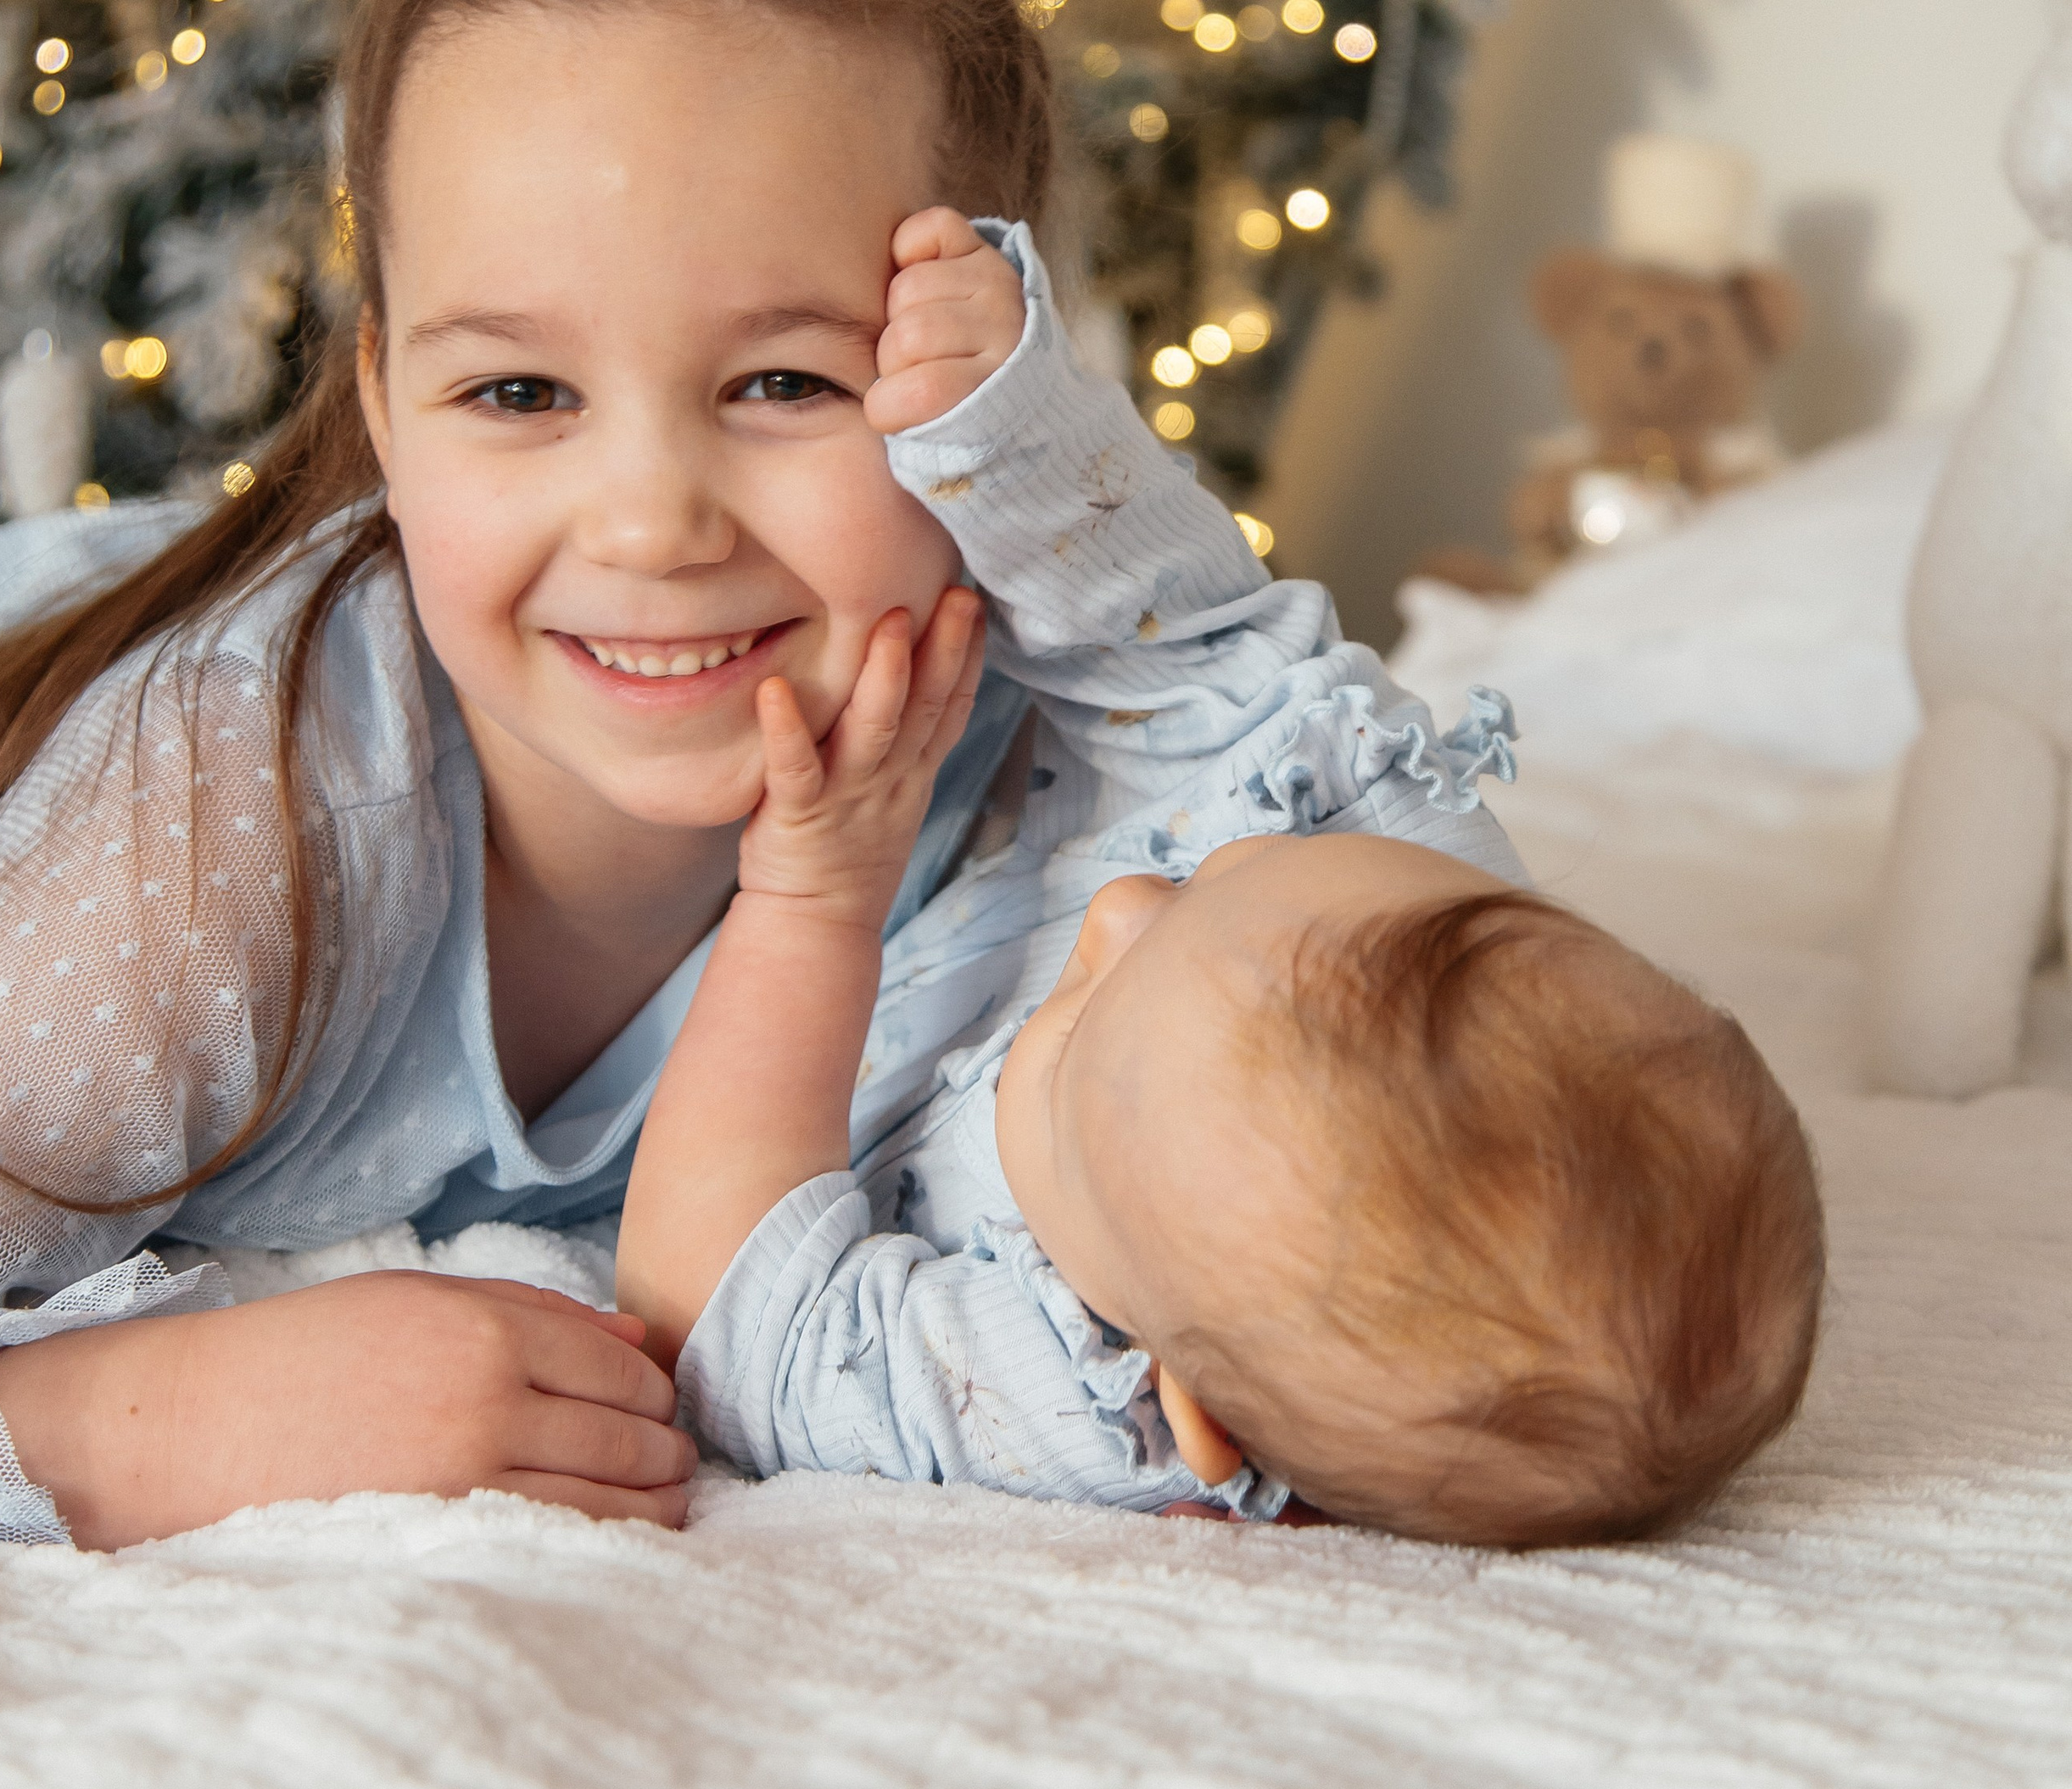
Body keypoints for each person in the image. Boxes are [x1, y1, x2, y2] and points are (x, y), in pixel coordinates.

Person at [0, 0, 1513, 1553]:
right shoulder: (224, 824)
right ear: (382, 412)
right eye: (518, 394)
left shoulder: (1038, 775)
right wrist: (141, 1422)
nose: (652, 523)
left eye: (785, 382)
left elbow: (1424, 1004)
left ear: (989, 378)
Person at [618, 222, 1828, 1546]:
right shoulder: (1400, 869)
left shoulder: (1067, 1395)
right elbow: (1214, 667)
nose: (1123, 911)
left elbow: (729, 1320)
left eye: (1077, 1043)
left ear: (1185, 1406)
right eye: (1220, 880)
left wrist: (811, 904)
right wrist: (998, 427)